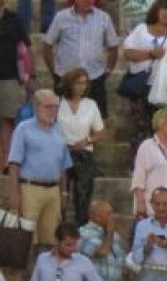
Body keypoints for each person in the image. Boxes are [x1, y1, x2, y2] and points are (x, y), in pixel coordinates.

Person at [119, 1, 167, 156]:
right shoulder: (141, 29)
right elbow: (127, 53)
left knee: (163, 128)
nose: (166, 14)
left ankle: (161, 163)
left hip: (164, 89)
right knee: (139, 128)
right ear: (156, 11)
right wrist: (151, 54)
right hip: (142, 86)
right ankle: (137, 165)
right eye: (164, 9)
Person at [8, 89, 71, 254]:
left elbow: (63, 165)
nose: (52, 111)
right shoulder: (24, 129)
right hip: (30, 189)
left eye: (55, 107)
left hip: (53, 190)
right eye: (47, 106)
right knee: (26, 238)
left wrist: (64, 192)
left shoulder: (59, 131)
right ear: (36, 107)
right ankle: (22, 278)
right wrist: (14, 194)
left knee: (51, 238)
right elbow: (14, 163)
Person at [42, 0, 119, 121]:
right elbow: (47, 45)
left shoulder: (104, 18)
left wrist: (107, 72)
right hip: (65, 78)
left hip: (94, 78)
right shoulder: (61, 17)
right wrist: (54, 72)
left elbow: (113, 47)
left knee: (95, 121)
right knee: (61, 120)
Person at [56, 67, 103, 225]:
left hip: (83, 154)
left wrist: (87, 140)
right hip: (62, 153)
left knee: (82, 197)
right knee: (60, 195)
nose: (82, 86)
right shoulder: (58, 103)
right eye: (78, 83)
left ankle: (80, 230)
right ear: (70, 84)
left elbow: (100, 132)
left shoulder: (91, 104)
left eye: (85, 83)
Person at [130, 106, 167, 223]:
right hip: (153, 206)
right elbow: (138, 178)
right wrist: (140, 204)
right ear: (162, 124)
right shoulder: (147, 146)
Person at [0, 2, 28, 163]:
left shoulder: (14, 19)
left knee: (7, 121)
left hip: (9, 77)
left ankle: (7, 162)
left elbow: (26, 46)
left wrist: (30, 76)